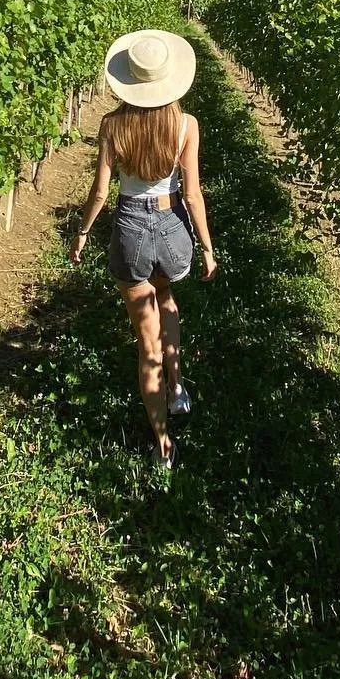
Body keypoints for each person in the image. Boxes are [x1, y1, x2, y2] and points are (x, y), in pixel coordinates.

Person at [68, 29, 218, 468]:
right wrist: (207, 248)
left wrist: (82, 233)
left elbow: (99, 192)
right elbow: (193, 195)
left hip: (130, 226)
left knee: (144, 342)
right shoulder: (186, 125)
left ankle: (163, 445)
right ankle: (176, 387)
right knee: (166, 297)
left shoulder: (113, 125)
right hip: (172, 227)